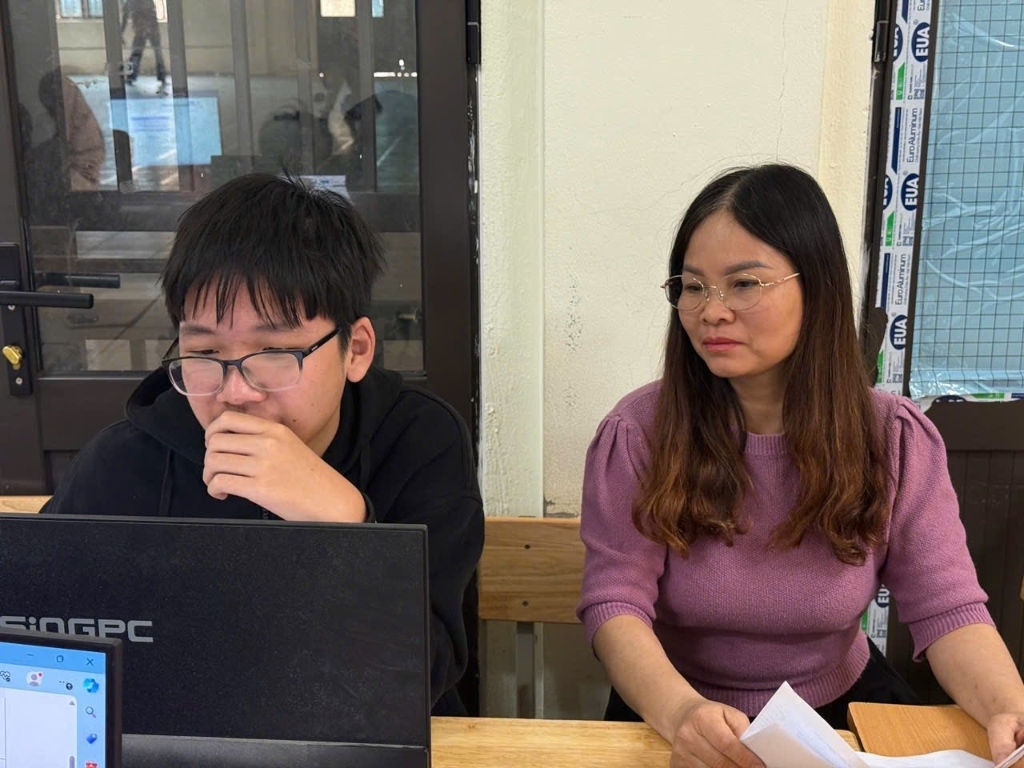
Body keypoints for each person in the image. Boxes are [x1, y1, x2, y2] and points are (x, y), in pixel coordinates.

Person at [577, 164, 1024, 768]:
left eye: (744, 283)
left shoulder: (891, 438)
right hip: (678, 713)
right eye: (693, 286)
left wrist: (1008, 708)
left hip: (842, 712)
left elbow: (947, 609)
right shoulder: (639, 433)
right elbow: (614, 606)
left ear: (816, 288)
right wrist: (682, 713)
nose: (711, 311)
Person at [42, 172, 484, 716]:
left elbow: (421, 679)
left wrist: (346, 524)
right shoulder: (124, 461)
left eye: (275, 353)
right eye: (205, 353)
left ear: (356, 349)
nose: (235, 391)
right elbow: (43, 641)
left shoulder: (419, 441)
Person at [121, 0, 167, 93]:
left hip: (146, 29)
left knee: (139, 54)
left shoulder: (132, 2)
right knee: (138, 54)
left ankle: (131, 77)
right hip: (145, 29)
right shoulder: (131, 2)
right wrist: (121, 32)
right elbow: (125, 16)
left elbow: (126, 17)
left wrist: (121, 32)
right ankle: (131, 77)